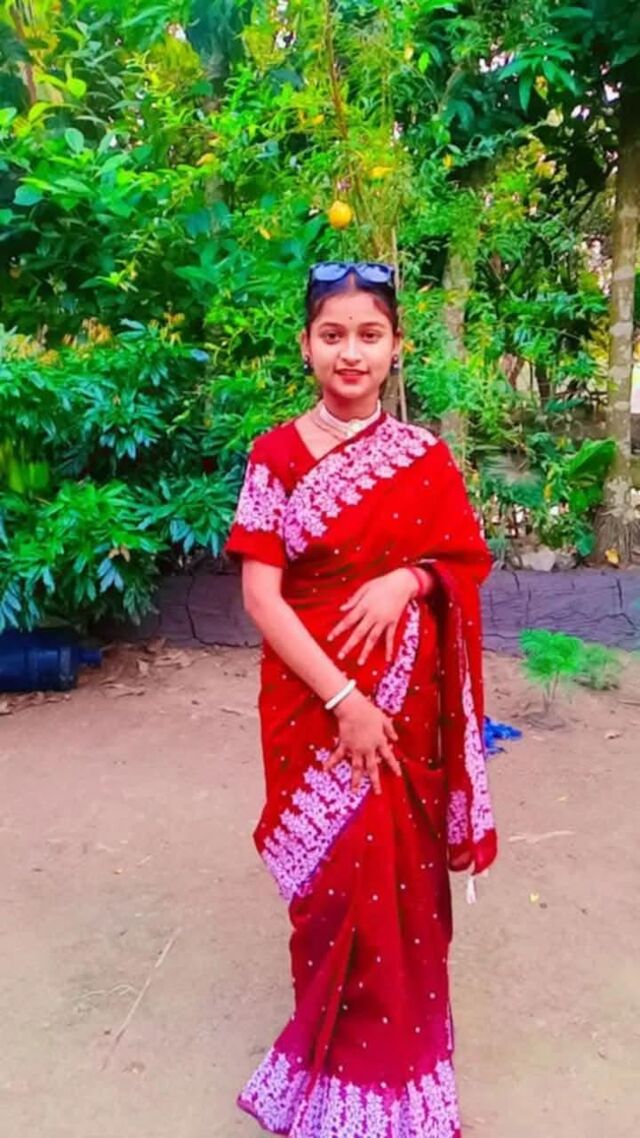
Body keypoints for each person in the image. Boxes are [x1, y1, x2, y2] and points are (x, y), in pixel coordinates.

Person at [225, 261, 497, 1138]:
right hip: (313, 710)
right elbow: (261, 596)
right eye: (333, 335)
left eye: (369, 335)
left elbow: (463, 562)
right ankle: (331, 1076)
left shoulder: (425, 458)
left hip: (407, 715)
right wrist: (344, 696)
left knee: (402, 895)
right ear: (306, 346)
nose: (351, 352)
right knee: (334, 894)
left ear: (396, 348)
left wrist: (409, 580)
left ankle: (400, 1084)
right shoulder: (275, 456)